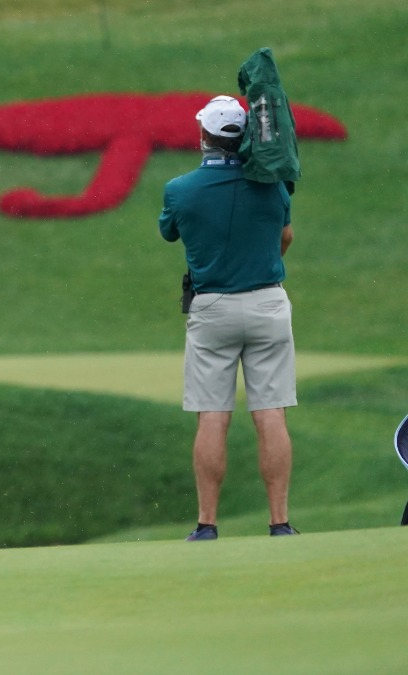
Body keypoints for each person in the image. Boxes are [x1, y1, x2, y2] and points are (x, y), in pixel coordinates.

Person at [158, 95, 298, 541]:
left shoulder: (180, 189)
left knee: (213, 416)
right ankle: (279, 522)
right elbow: (286, 234)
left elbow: (170, 231)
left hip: (213, 308)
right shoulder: (273, 184)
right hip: (267, 304)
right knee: (270, 412)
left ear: (204, 136)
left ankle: (206, 525)